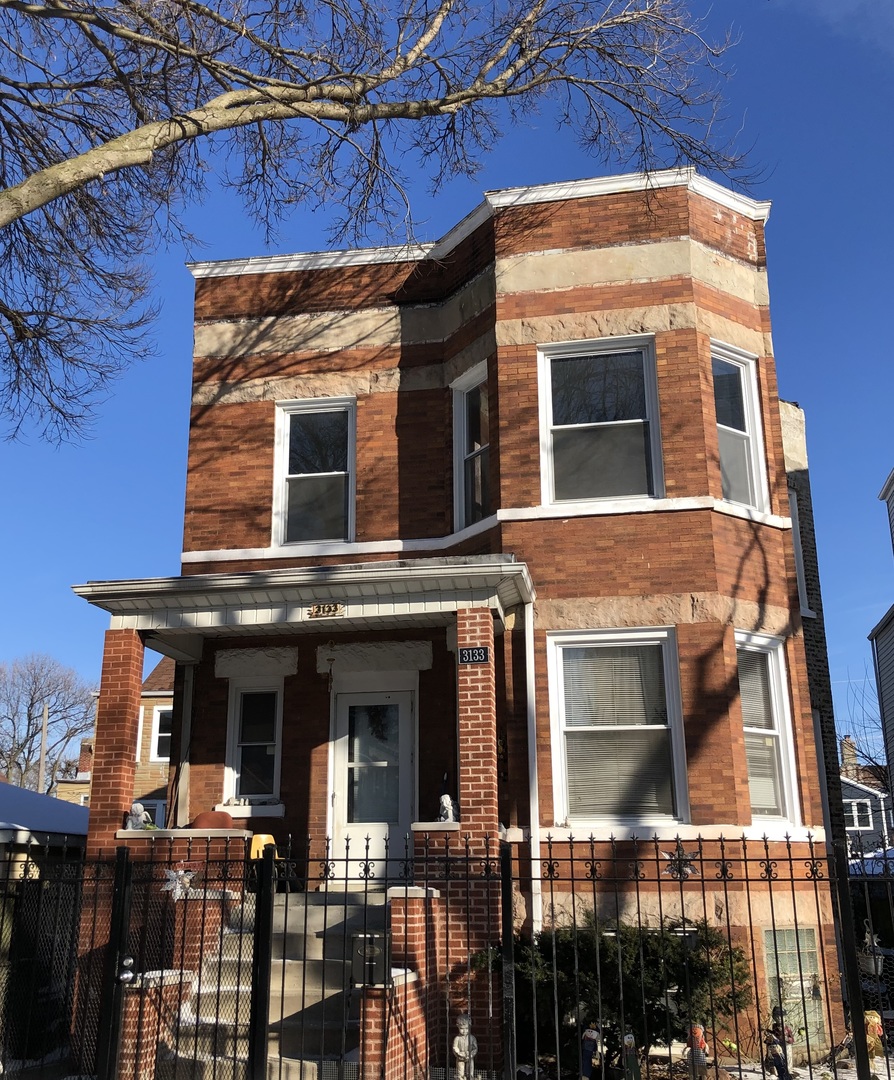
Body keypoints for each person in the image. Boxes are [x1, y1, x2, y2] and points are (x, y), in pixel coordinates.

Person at [453, 1013, 478, 1080]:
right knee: (460, 1072)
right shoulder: (457, 1038)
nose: (464, 1031)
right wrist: (458, 1053)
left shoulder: (472, 1038)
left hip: (469, 1057)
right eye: (462, 1029)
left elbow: (475, 1048)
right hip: (460, 1058)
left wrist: (471, 1054)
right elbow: (455, 1047)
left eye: (466, 1028)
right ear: (458, 1027)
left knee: (470, 1071)